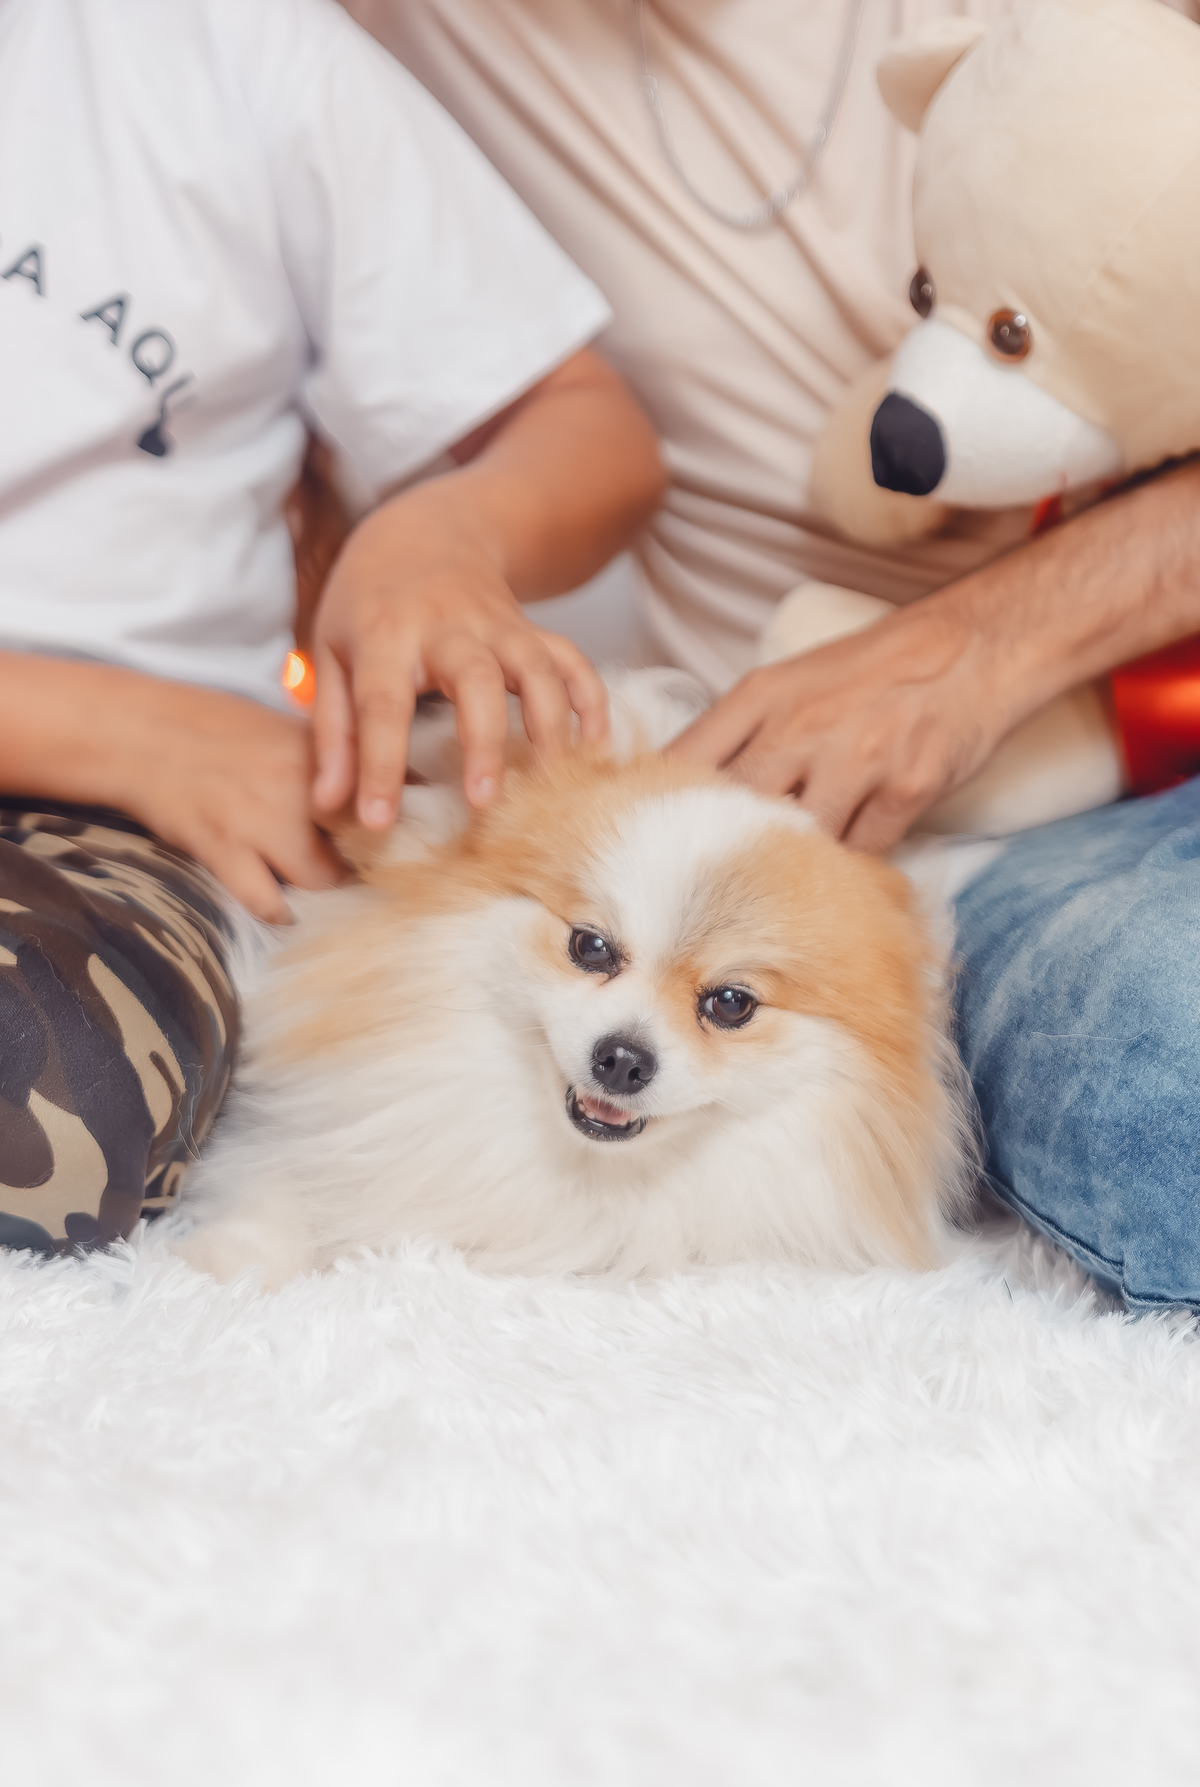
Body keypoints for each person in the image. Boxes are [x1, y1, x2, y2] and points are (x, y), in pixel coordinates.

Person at [346, 0, 1200, 1312]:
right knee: (1173, 1089)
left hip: (1142, 722)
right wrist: (420, 539)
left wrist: (984, 645)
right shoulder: (398, 31)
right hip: (924, 851)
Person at [0, 0, 664, 1254]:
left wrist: (438, 536)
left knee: (42, 1100)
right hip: (157, 751)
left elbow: (591, 431)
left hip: (135, 825)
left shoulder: (232, 46)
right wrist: (119, 727)